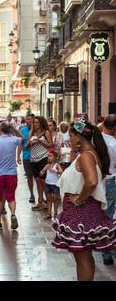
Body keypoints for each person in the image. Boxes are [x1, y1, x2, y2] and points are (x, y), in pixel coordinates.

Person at [52, 116, 115, 281]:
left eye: (71, 136)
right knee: (85, 257)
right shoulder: (89, 154)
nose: (70, 140)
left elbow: (92, 181)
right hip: (84, 212)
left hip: (81, 212)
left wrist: (79, 199)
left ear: (79, 136)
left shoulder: (86, 156)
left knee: (82, 259)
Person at [26, 116, 53, 211]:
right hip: (33, 159)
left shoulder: (46, 132)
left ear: (41, 123)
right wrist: (29, 143)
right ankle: (40, 201)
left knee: (43, 180)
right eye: (34, 122)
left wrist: (40, 141)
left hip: (43, 158)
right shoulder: (31, 133)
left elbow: (50, 145)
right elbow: (26, 147)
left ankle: (47, 201)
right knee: (37, 180)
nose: (35, 124)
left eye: (37, 122)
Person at [101, 114, 116, 265]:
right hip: (110, 180)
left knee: (95, 212)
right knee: (108, 215)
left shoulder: (94, 139)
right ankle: (107, 253)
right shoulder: (113, 144)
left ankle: (92, 243)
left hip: (94, 180)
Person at [40, 149, 63, 220]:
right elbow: (41, 173)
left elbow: (61, 171)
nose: (48, 157)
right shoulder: (47, 165)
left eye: (50, 156)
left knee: (55, 200)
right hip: (48, 184)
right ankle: (49, 213)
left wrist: (53, 170)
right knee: (49, 199)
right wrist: (43, 171)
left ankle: (55, 213)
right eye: (48, 156)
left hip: (55, 185)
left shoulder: (56, 165)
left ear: (55, 157)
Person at [20, 114, 36, 203]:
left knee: (39, 178)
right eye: (26, 119)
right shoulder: (23, 130)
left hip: (38, 157)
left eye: (29, 119)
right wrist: (18, 155)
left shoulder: (38, 130)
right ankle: (32, 194)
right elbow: (20, 143)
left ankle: (42, 196)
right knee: (29, 176)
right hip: (26, 156)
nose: (27, 121)